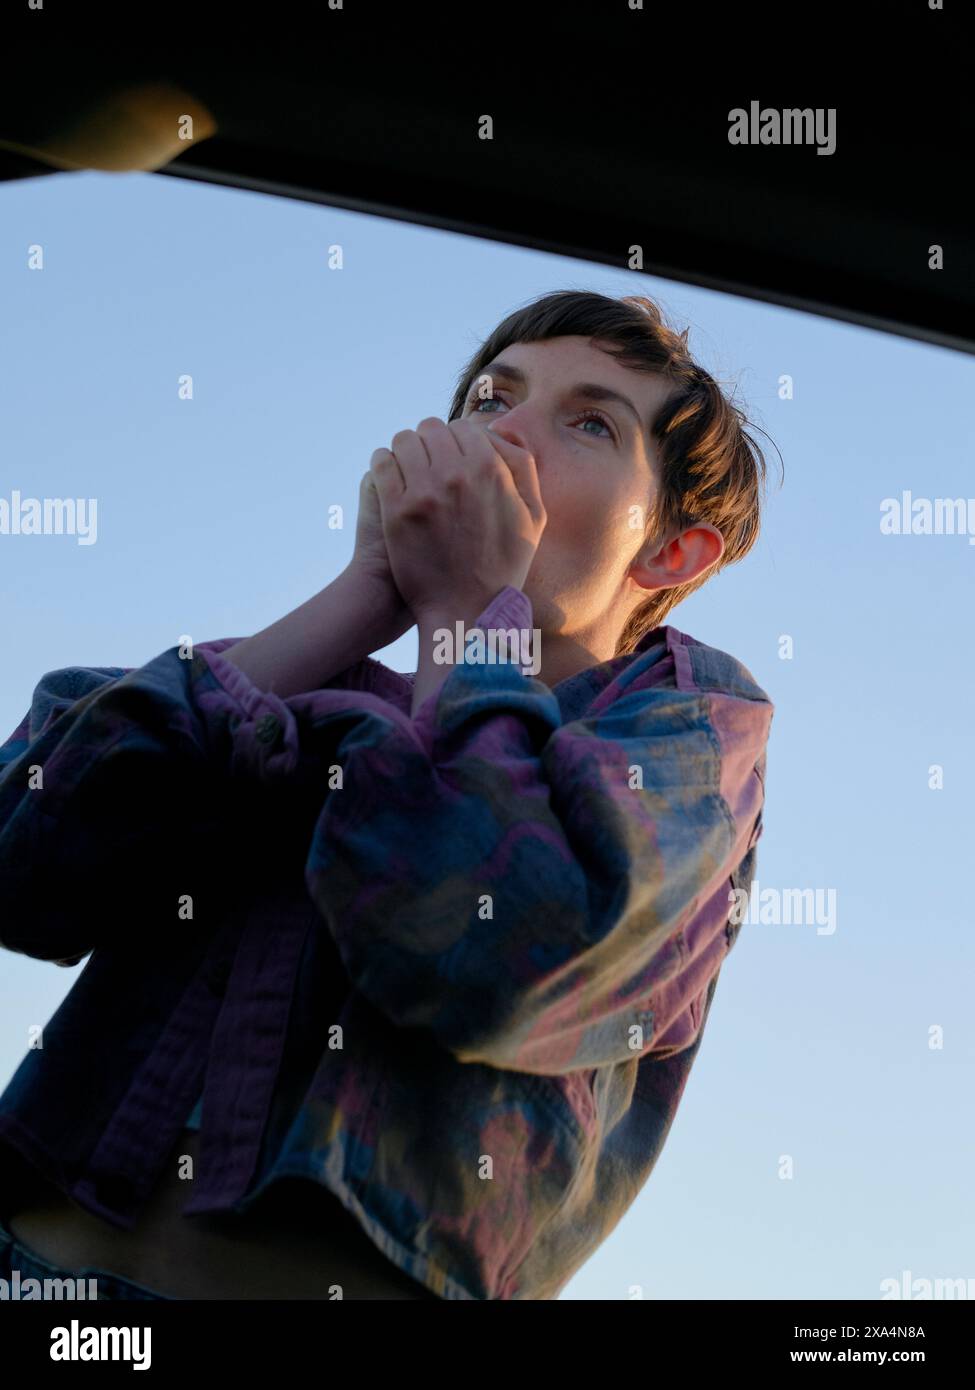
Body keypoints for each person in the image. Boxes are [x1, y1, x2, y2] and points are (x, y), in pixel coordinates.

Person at [0, 289, 779, 1300]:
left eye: (590, 421)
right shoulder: (299, 685)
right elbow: (25, 852)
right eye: (492, 395)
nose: (505, 428)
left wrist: (464, 612)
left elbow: (498, 946)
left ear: (671, 551)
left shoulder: (686, 724)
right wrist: (361, 596)